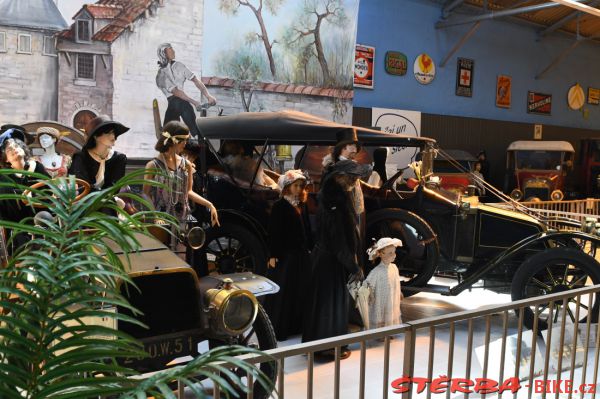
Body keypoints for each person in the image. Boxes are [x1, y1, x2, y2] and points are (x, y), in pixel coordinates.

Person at [302, 160, 372, 359]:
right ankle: (325, 349)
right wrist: (352, 265)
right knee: (329, 307)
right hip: (330, 263)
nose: (356, 180)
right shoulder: (334, 201)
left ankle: (323, 346)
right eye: (353, 177)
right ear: (341, 178)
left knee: (327, 305)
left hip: (329, 261)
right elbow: (337, 240)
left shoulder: (335, 197)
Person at [143, 121, 219, 250]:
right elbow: (145, 193)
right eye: (184, 140)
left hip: (182, 217)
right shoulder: (153, 165)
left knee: (182, 254)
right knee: (162, 255)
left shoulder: (186, 165)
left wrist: (209, 205)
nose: (185, 144)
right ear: (174, 141)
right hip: (160, 217)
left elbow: (188, 191)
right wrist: (153, 215)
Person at [264, 170, 313, 341]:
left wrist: (309, 247)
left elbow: (306, 229)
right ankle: (280, 327)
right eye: (295, 186)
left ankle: (297, 325)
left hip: (300, 255)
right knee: (284, 290)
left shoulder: (301, 204)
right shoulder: (280, 206)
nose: (298, 189)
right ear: (287, 187)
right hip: (286, 255)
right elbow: (275, 232)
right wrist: (273, 254)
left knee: (299, 289)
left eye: (301, 186)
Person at [156, 43, 216, 138]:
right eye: (170, 49)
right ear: (164, 54)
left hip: (182, 103)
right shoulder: (161, 75)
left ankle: (196, 135)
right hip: (174, 104)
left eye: (172, 48)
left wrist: (208, 96)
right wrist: (195, 102)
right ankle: (195, 133)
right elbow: (176, 92)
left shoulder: (179, 66)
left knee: (183, 104)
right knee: (179, 103)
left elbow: (196, 80)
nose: (173, 51)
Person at [69, 115, 129, 191]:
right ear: (96, 136)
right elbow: (81, 186)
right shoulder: (81, 157)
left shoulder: (119, 158)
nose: (113, 136)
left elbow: (114, 188)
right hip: (84, 201)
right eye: (108, 133)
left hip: (110, 201)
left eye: (113, 132)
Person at [364, 237, 403, 329]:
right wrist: (370, 295)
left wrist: (400, 292)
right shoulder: (376, 271)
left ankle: (390, 329)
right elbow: (368, 284)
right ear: (381, 254)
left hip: (392, 298)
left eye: (394, 252)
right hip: (380, 299)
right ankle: (380, 332)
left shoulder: (394, 267)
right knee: (381, 314)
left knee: (391, 312)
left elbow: (397, 282)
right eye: (390, 253)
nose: (394, 255)